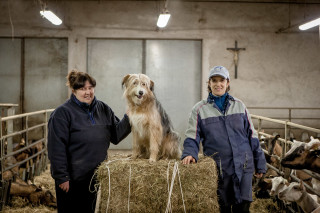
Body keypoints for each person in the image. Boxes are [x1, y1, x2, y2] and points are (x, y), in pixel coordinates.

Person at [181, 66, 266, 213]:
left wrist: (260, 163)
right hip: (219, 168)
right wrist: (189, 153)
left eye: (222, 80)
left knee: (243, 206)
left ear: (228, 83)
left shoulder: (239, 106)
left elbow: (252, 135)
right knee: (223, 206)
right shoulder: (200, 109)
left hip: (244, 165)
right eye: (214, 80)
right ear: (209, 83)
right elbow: (192, 135)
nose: (218, 84)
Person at [48, 70, 131, 213]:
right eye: (82, 89)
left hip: (97, 177)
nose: (88, 92)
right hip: (73, 179)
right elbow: (56, 148)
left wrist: (129, 117)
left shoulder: (103, 109)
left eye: (90, 88)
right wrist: (62, 177)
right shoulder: (62, 113)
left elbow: (116, 136)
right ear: (73, 91)